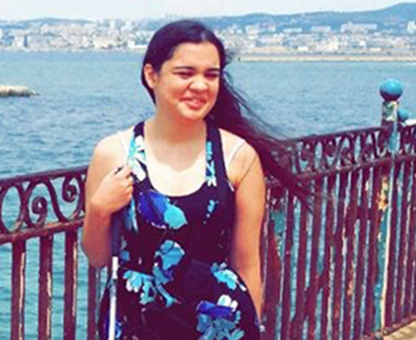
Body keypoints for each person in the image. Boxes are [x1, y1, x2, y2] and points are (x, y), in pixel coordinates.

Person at [82, 20, 307, 340]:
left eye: (211, 75)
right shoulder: (115, 153)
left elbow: (246, 263)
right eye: (185, 73)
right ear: (151, 75)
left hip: (217, 322)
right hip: (137, 320)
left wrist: (252, 326)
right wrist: (100, 207)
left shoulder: (237, 157)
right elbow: (98, 256)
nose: (201, 86)